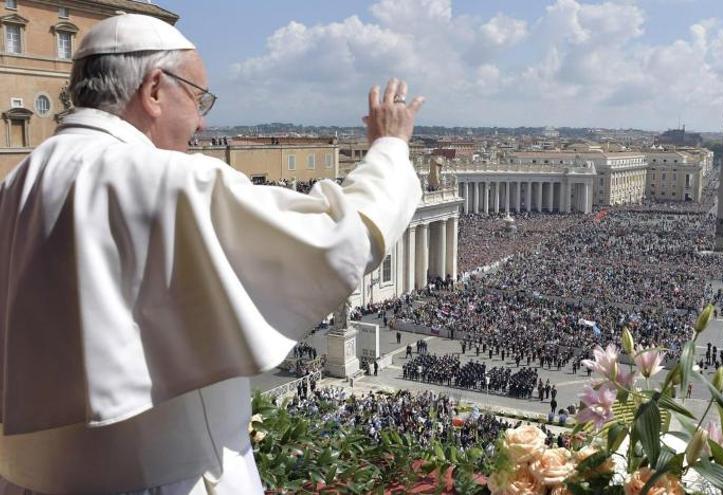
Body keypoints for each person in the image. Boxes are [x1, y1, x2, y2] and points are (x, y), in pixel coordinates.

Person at [0, 14, 425, 495]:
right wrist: (390, 148)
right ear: (155, 90)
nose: (202, 121)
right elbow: (341, 237)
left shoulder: (20, 182)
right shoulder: (165, 179)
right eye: (198, 99)